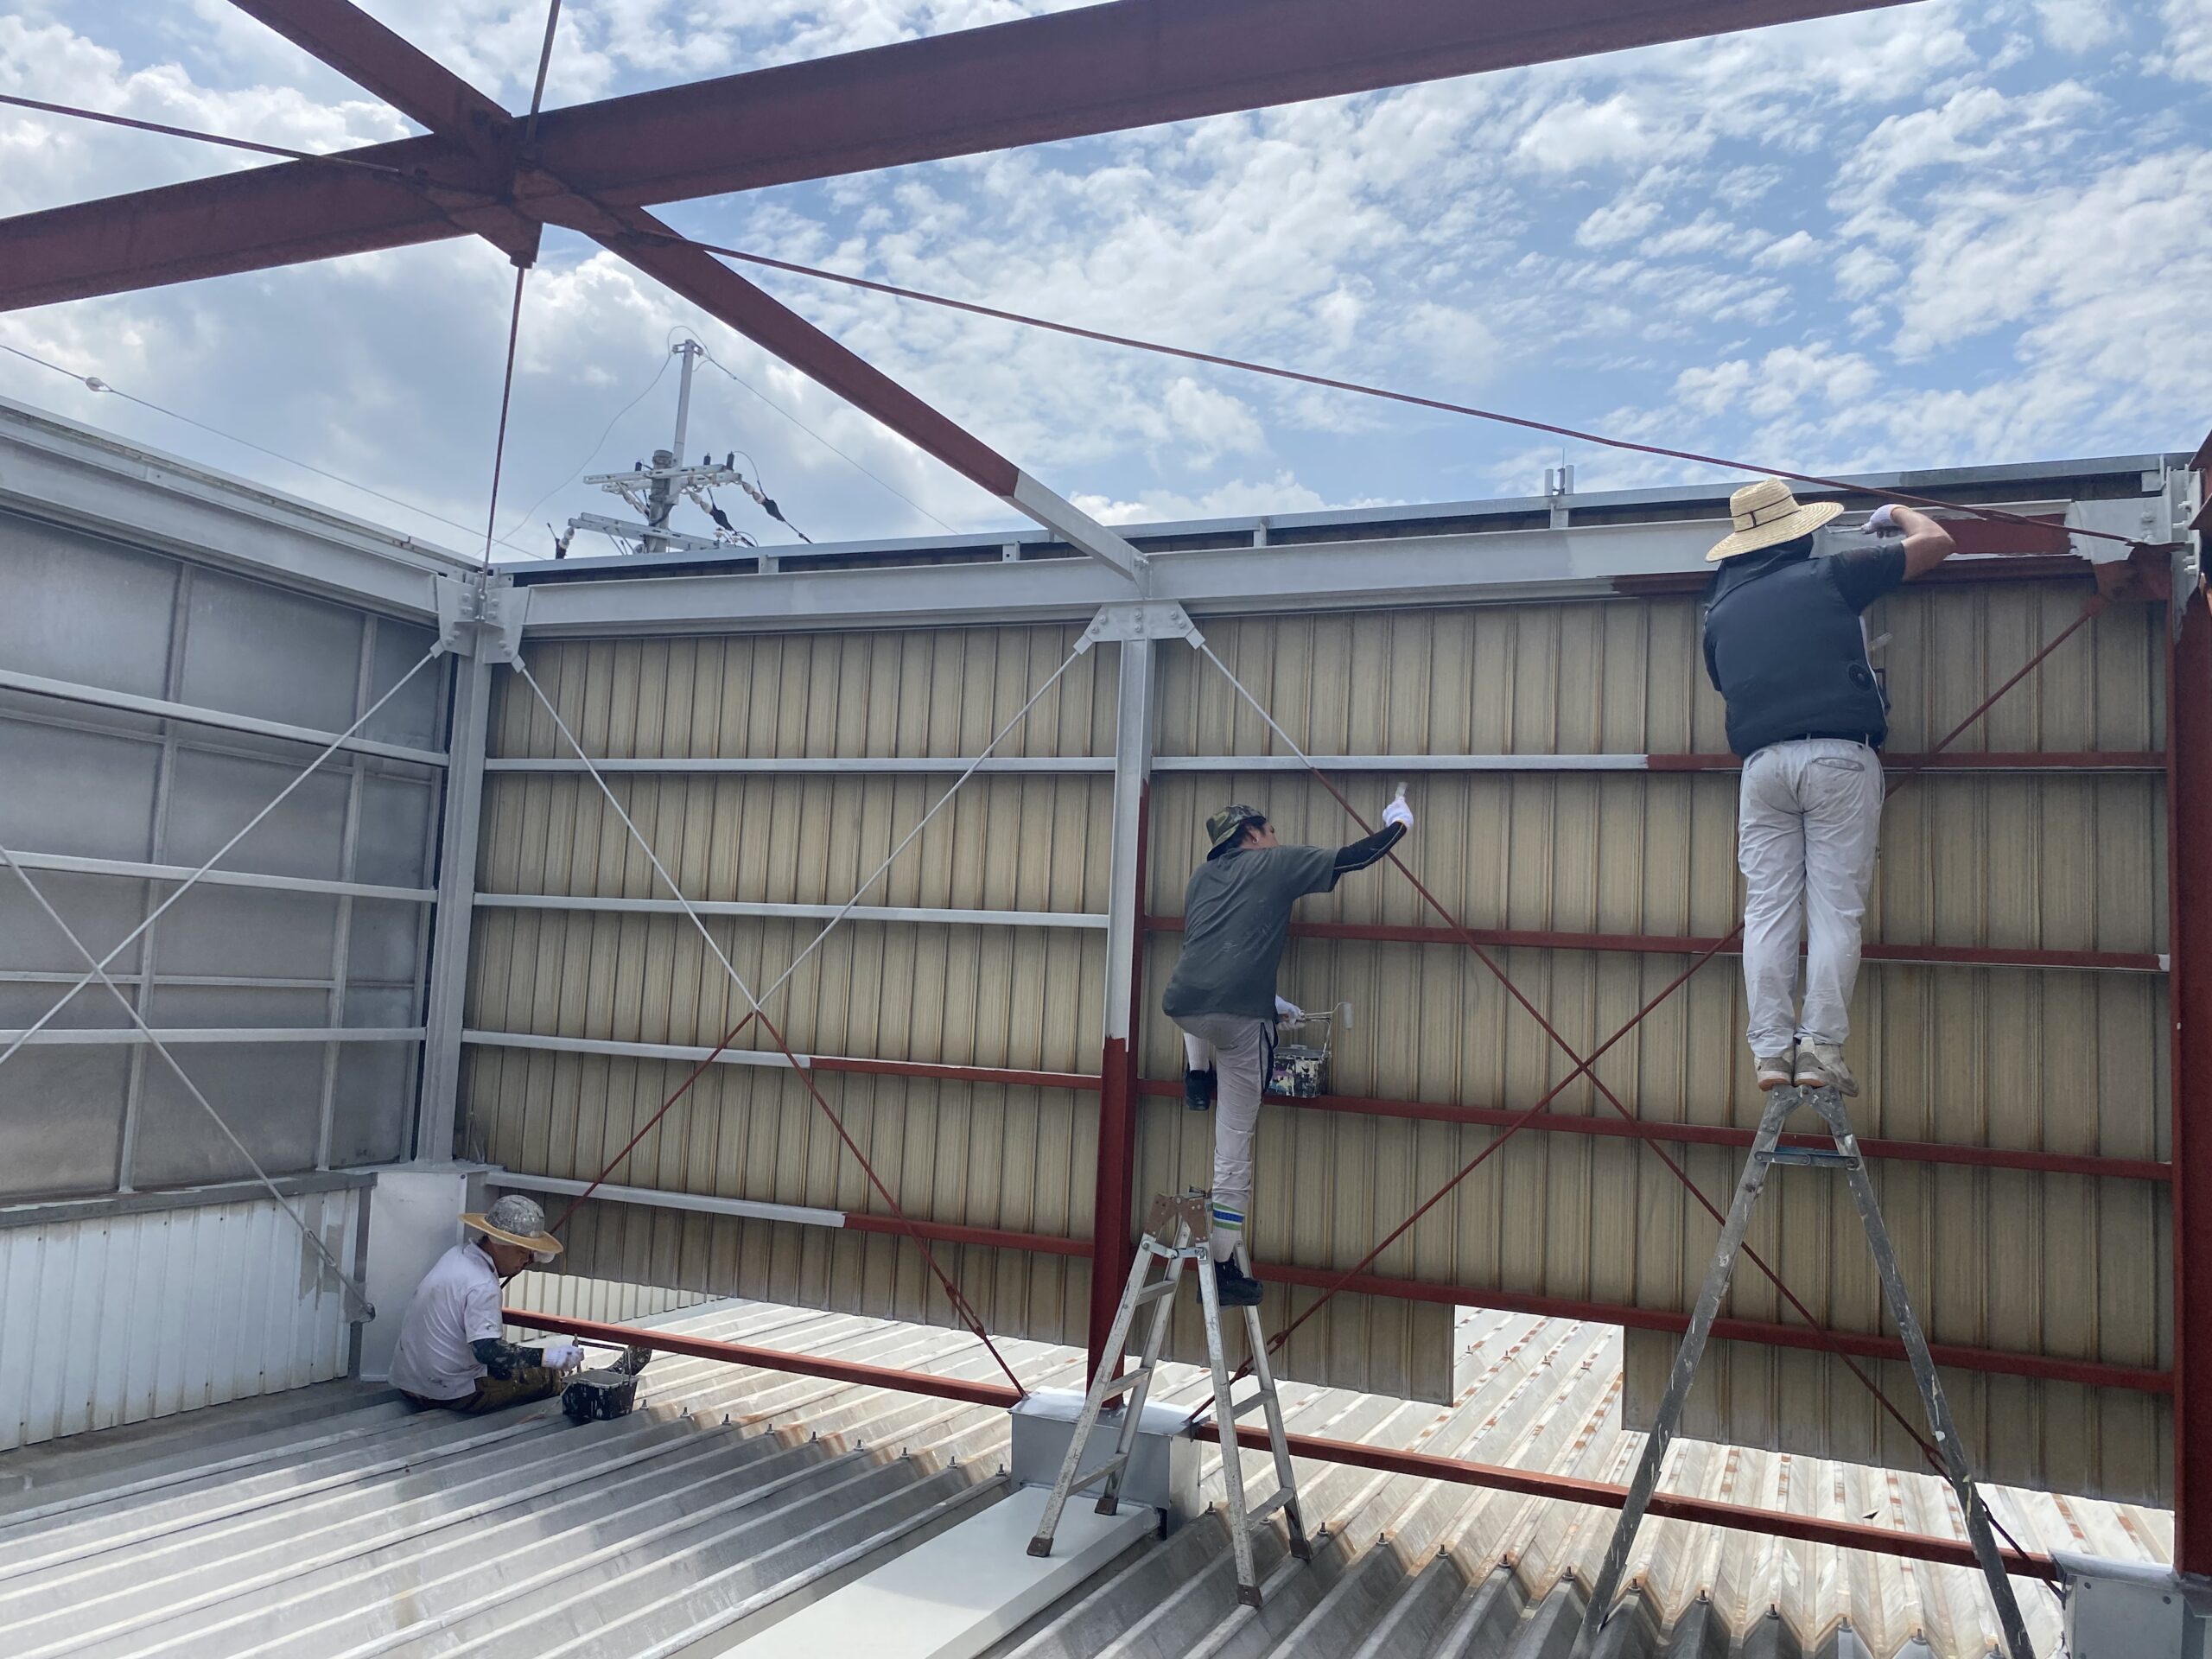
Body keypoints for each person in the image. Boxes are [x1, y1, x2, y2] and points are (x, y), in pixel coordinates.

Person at [1701, 477, 1955, 1096]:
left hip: (1761, 769)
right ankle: (1819, 1049)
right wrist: (1893, 511)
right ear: (1797, 534)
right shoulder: (1832, 576)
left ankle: (1769, 1053)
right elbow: (1939, 542)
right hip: (1838, 757)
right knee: (1835, 910)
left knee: (1766, 912)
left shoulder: (1719, 614)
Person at [1161, 793, 1414, 1306]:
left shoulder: (1200, 879)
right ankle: (1225, 1266)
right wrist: (1397, 827)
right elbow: (1355, 857)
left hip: (1185, 1005)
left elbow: (1210, 950)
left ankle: (1194, 1078)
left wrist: (1272, 1000)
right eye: (1270, 830)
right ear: (1250, 837)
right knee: (1233, 1148)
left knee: (1208, 1012)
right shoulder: (1273, 862)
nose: (1276, 837)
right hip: (1240, 1024)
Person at [388, 1192, 645, 1412]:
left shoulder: (457, 1257)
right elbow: (488, 1351)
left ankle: (595, 1375)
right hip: (446, 1393)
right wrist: (549, 1357)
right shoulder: (482, 1284)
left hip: (408, 1383)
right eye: (522, 1251)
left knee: (512, 1365)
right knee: (540, 1377)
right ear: (500, 1245)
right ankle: (596, 1380)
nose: (525, 1261)